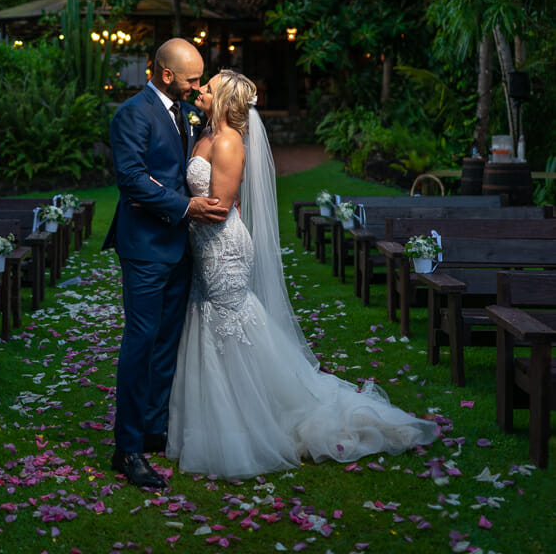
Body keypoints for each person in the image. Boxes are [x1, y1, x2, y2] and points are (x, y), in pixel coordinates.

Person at [166, 70, 439, 480]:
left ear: (223, 98)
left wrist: (172, 203)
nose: (200, 90)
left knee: (228, 323)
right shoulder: (204, 134)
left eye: (208, 87)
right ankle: (218, 415)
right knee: (211, 320)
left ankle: (251, 420)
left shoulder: (227, 141)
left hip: (222, 246)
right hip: (204, 244)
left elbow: (220, 207)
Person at [103, 38, 226, 489]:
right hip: (146, 248)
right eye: (192, 79)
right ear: (166, 74)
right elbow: (132, 179)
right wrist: (186, 208)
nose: (198, 88)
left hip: (181, 247)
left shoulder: (186, 111)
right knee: (141, 342)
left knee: (167, 342)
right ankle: (128, 448)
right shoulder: (132, 114)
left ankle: (154, 429)